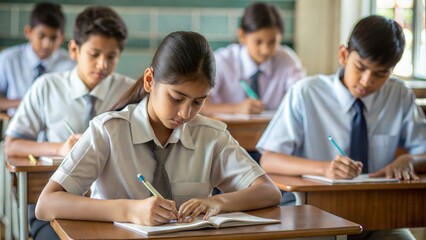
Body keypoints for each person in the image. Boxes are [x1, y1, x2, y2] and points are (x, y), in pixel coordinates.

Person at [35, 31, 282, 227]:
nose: (186, 113)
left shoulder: (211, 135)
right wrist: (130, 211)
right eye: (177, 98)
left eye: (198, 102)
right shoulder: (108, 130)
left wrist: (217, 202)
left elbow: (269, 191)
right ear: (150, 80)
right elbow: (46, 203)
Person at [257, 15, 426, 240]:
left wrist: (409, 160)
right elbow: (268, 159)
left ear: (392, 70)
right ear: (343, 55)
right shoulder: (306, 93)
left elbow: (423, 151)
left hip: (378, 216)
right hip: (315, 214)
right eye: (361, 67)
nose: (367, 81)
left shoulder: (399, 95)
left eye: (380, 74)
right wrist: (324, 168)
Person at [4, 6, 135, 239]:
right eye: (94, 54)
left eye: (111, 56)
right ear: (74, 49)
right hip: (55, 205)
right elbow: (13, 144)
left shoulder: (129, 92)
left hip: (114, 203)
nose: (102, 64)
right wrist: (59, 148)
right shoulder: (47, 87)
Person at [201, 2, 303, 116]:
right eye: (258, 42)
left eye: (272, 42)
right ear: (242, 36)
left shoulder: (287, 61)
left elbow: (301, 100)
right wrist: (235, 108)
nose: (266, 50)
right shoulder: (221, 61)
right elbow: (200, 105)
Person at [0, 2, 75, 115]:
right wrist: (26, 103)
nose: (47, 44)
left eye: (53, 38)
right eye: (41, 36)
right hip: (13, 125)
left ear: (62, 38)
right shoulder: (8, 59)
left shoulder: (71, 66)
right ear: (28, 32)